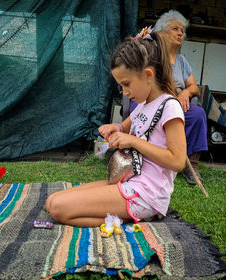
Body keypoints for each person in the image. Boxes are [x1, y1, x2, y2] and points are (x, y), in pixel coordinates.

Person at [45, 33, 186, 228]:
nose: (125, 92)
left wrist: (133, 141)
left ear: (148, 75)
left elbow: (177, 161)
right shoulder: (144, 104)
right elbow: (126, 125)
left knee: (58, 209)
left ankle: (129, 216)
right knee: (51, 201)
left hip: (147, 194)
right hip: (129, 182)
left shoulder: (170, 107)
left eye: (126, 84)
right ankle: (122, 215)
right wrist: (116, 127)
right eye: (121, 86)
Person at [128, 10, 208, 185]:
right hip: (150, 101)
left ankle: (191, 166)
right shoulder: (151, 53)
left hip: (174, 105)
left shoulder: (181, 61)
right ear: (161, 32)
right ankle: (138, 156)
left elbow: (194, 86)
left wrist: (185, 92)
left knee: (197, 114)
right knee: (136, 110)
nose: (181, 33)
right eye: (175, 29)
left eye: (182, 30)